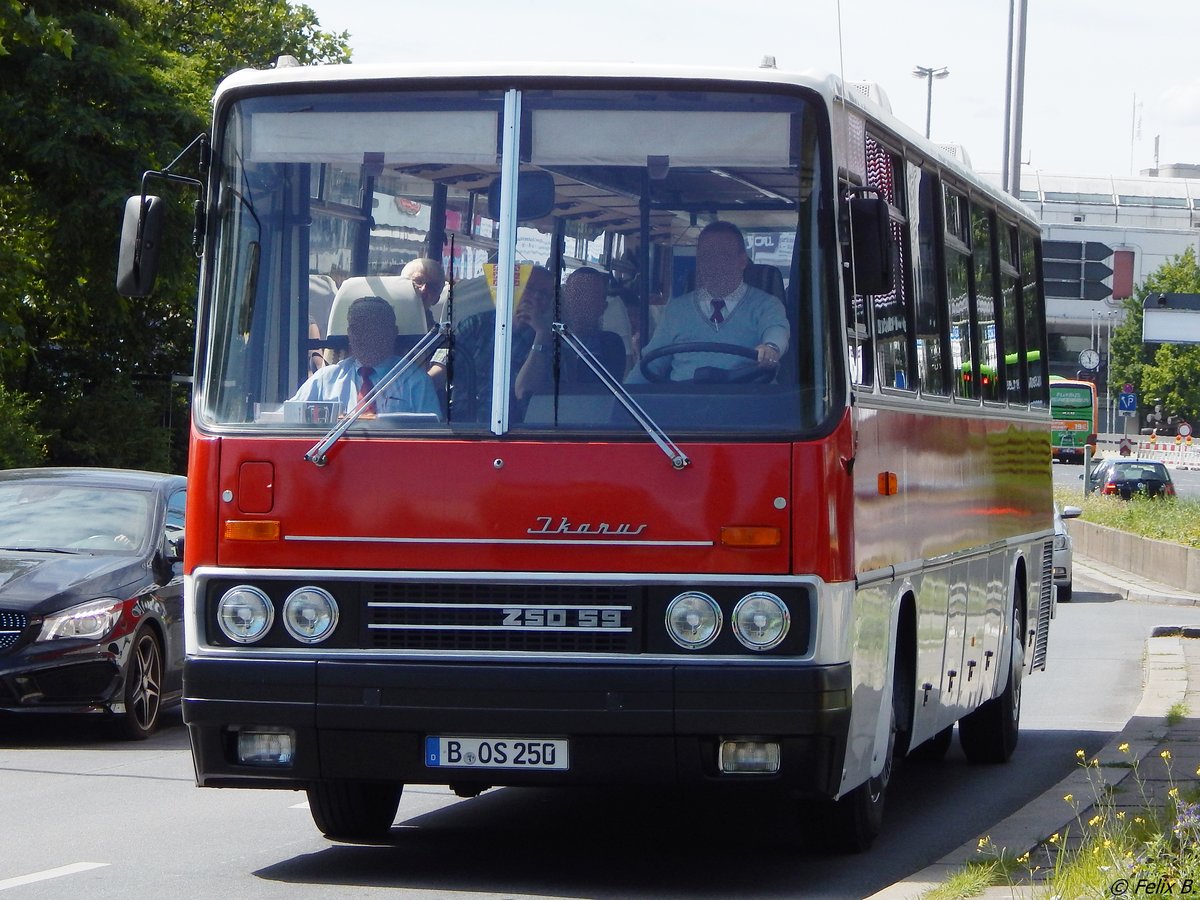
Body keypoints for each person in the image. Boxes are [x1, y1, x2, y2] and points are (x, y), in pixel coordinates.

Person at [628, 221, 790, 383]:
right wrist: (620, 402)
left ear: (742, 261)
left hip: (748, 403)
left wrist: (770, 349)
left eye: (723, 256)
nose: (714, 264)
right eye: (706, 256)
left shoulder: (766, 305)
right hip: (684, 404)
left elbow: (776, 330)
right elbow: (649, 365)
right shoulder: (676, 311)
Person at [290, 295, 441, 418]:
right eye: (358, 328)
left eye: (374, 328)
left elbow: (432, 440)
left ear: (393, 332)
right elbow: (286, 420)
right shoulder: (324, 380)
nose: (366, 336)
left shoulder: (416, 381)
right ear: (349, 334)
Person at [514, 267, 626, 399]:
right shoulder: (538, 336)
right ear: (563, 299)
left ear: (603, 307)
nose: (582, 302)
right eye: (576, 294)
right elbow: (525, 392)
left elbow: (603, 397)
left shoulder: (609, 345)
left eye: (591, 297)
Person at [400, 258, 446, 328]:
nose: (423, 289)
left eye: (432, 287)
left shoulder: (437, 336)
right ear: (401, 285)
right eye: (418, 282)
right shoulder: (383, 319)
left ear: (436, 299)